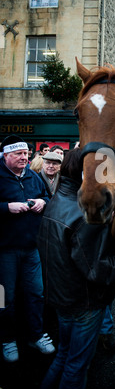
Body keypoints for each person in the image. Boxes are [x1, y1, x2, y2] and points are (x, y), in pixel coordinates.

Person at [37, 148, 115, 389]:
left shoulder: (58, 198)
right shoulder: (86, 215)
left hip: (61, 298)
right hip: (84, 303)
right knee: (76, 366)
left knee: (63, 356)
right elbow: (98, 270)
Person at [0, 135, 55, 363]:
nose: (24, 157)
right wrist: (6, 207)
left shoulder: (33, 176)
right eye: (18, 154)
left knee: (35, 293)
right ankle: (7, 339)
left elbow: (48, 198)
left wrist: (43, 202)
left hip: (32, 248)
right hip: (5, 250)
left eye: (25, 153)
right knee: (7, 298)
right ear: (5, 156)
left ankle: (36, 335)